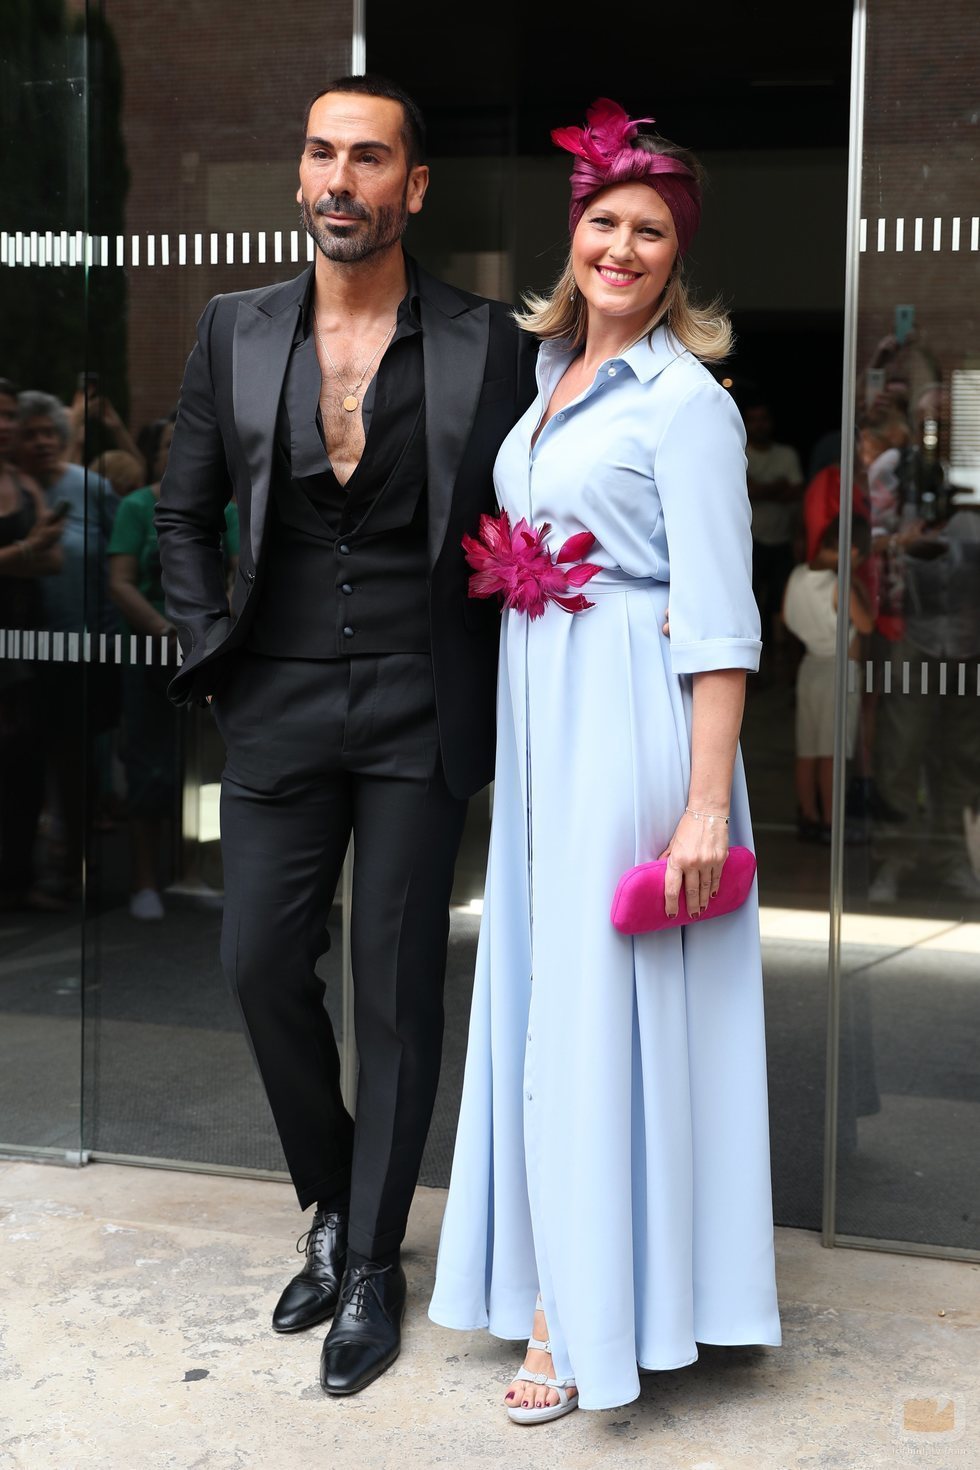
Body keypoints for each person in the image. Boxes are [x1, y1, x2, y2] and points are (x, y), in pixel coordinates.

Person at [154, 74, 536, 1396]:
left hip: (424, 705)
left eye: (368, 158)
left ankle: (371, 1258)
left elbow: (543, 507)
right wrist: (211, 650)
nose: (339, 179)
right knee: (259, 958)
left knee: (395, 986)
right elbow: (183, 510)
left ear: (412, 188)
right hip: (277, 696)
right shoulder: (234, 330)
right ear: (299, 173)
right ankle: (331, 1196)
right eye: (321, 152)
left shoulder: (492, 343)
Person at [429, 98, 781, 1419]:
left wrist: (704, 802)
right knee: (541, 999)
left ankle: (572, 1315)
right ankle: (562, 1270)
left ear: (674, 256)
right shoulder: (547, 379)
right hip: (545, 726)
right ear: (572, 236)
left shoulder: (686, 402)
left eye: (648, 231)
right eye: (604, 223)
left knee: (592, 1014)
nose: (622, 248)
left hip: (633, 725)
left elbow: (722, 618)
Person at [108, 413, 239, 920]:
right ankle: (143, 879)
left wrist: (213, 631)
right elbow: (120, 582)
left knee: (200, 769)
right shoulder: (139, 507)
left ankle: (192, 872)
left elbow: (237, 574)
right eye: (170, 443)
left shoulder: (226, 511)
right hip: (149, 655)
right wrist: (168, 633)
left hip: (206, 653)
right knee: (149, 765)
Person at [15, 391, 120, 900]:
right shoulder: (10, 492)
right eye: (29, 432)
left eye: (48, 431)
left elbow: (116, 561)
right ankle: (23, 871)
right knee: (23, 764)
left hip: (83, 649)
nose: (40, 441)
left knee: (76, 765)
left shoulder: (91, 488)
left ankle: (74, 868)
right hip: (18, 652)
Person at [0, 378, 65, 911]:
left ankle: (18, 882)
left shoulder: (23, 482)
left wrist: (23, 554)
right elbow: (35, 551)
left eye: (7, 416)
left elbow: (54, 560)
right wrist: (23, 549)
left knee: (24, 770)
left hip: (25, 645)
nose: (4, 426)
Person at [782, 515, 874, 842]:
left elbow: (787, 618)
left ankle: (808, 815)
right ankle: (832, 825)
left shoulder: (796, 576)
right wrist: (857, 585)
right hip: (839, 671)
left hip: (810, 667)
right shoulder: (839, 585)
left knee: (808, 750)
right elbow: (865, 625)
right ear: (851, 550)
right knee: (831, 753)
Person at [741, 393, 804, 667]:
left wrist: (758, 489)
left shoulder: (786, 454)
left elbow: (796, 492)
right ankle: (757, 671)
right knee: (751, 609)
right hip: (750, 545)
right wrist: (775, 487)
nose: (759, 425)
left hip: (782, 542)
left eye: (763, 419)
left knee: (785, 608)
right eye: (753, 420)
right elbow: (746, 491)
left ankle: (786, 669)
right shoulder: (740, 453)